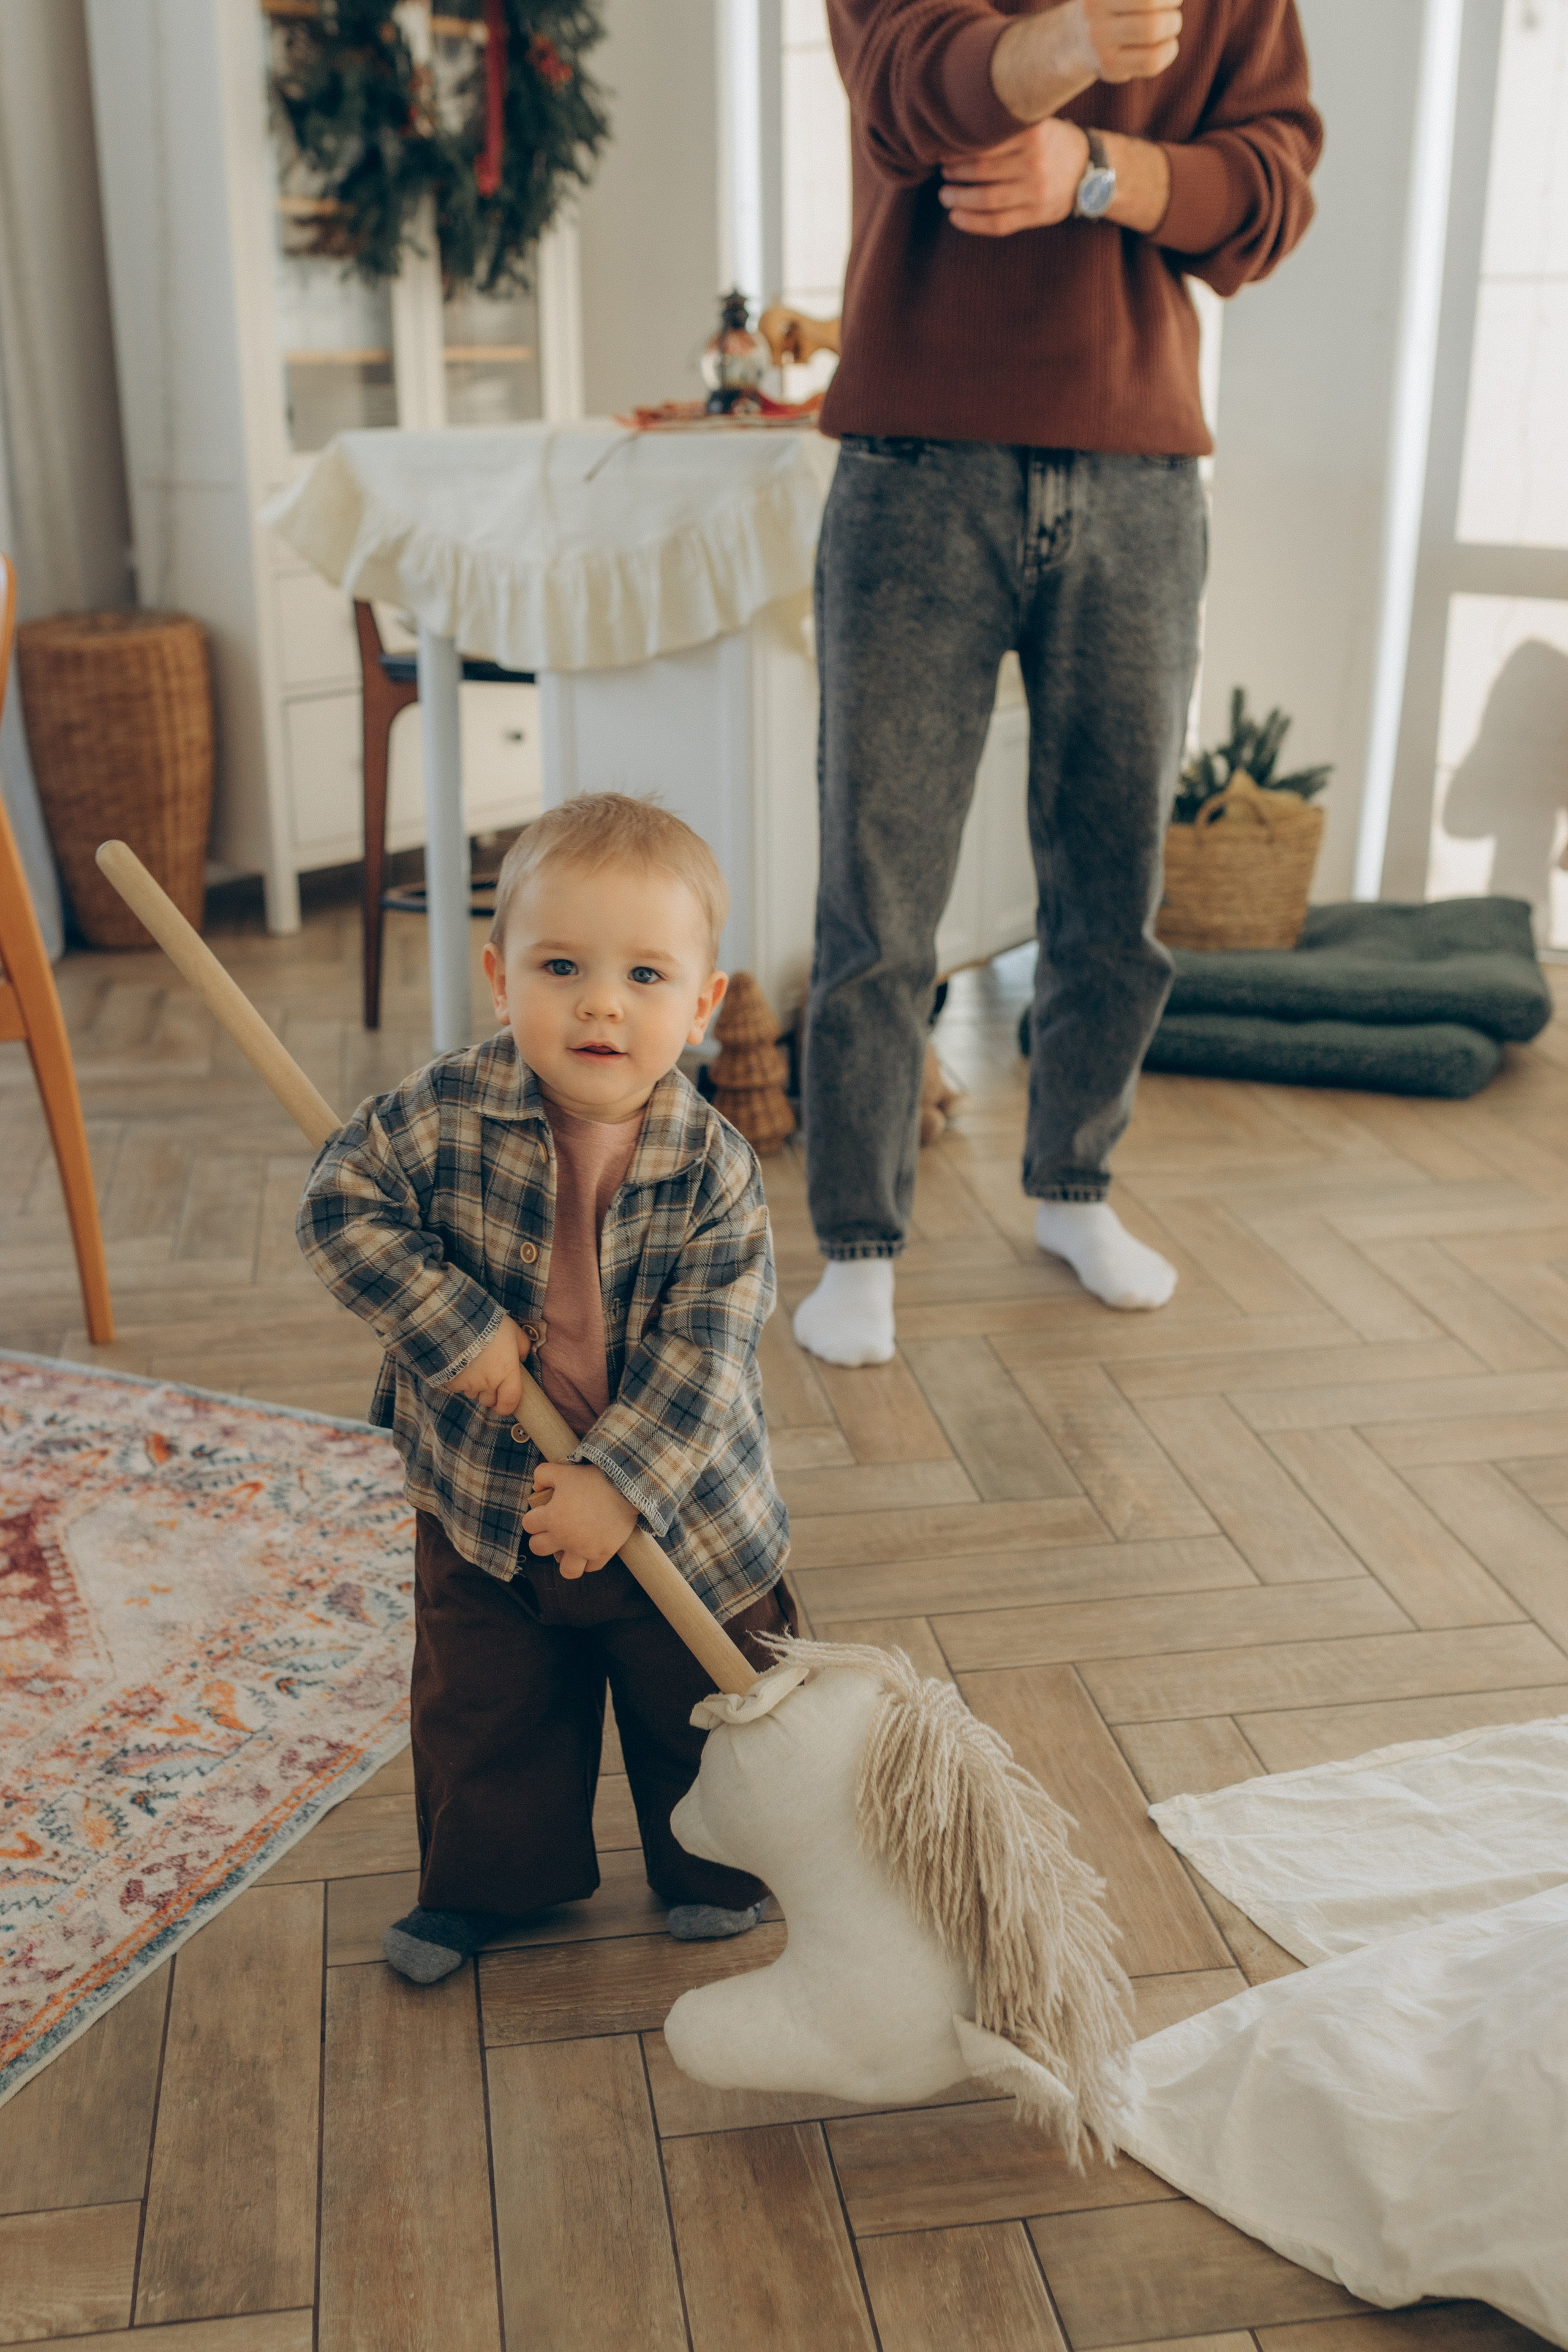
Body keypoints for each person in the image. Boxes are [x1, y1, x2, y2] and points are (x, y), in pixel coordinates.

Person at [780, 0, 1322, 1367]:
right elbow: (910, 94)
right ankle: (856, 1242)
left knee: (1110, 890)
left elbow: (1268, 188)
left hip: (1138, 474)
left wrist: (1099, 168)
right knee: (876, 898)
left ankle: (1072, 1190)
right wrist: (1074, 42)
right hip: (913, 469)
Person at [296, 795, 793, 1983]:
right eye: (559, 965)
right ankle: (485, 1887)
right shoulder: (440, 1111)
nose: (599, 1002)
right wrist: (449, 1323)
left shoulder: (715, 1170)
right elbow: (336, 1206)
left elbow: (709, 1351)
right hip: (485, 1507)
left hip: (685, 1520)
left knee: (713, 1716)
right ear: (498, 973)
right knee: (483, 1713)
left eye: (643, 973)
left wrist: (617, 1486)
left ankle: (716, 1871)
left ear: (704, 1002)